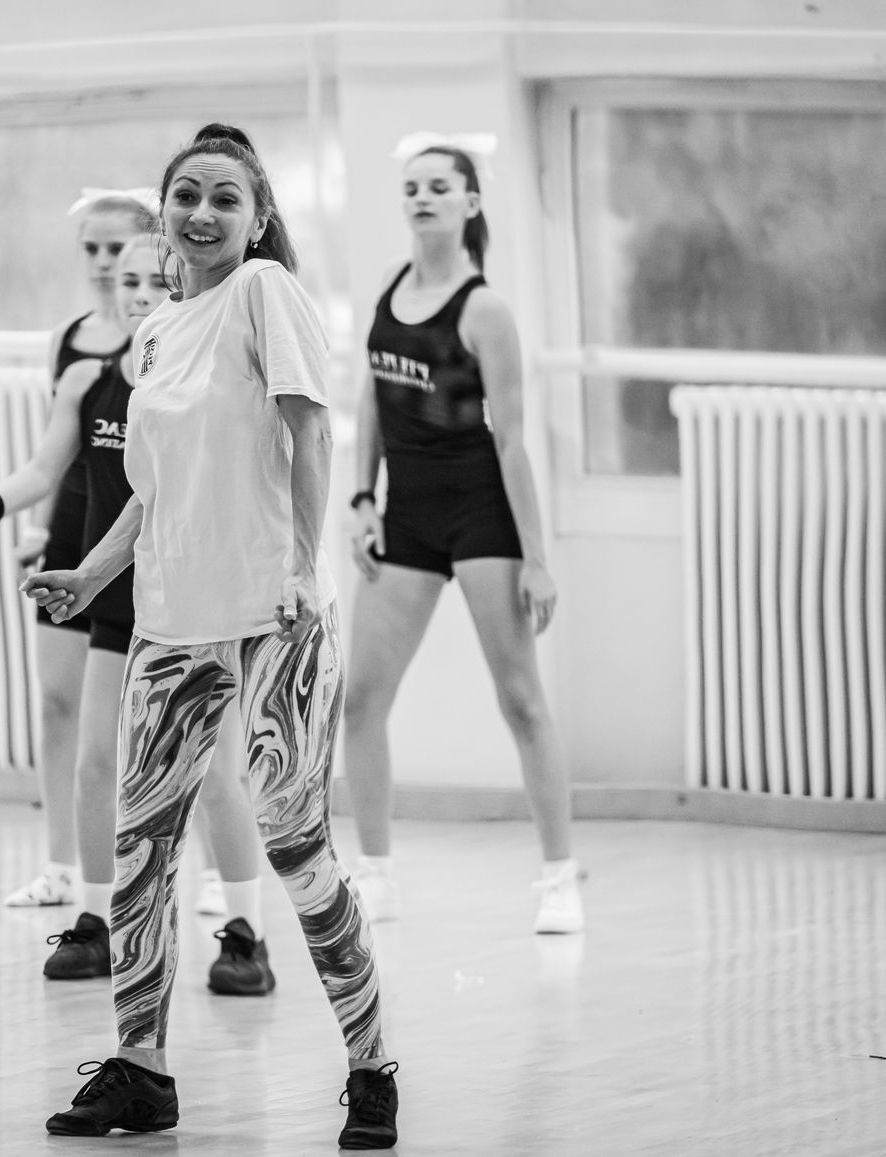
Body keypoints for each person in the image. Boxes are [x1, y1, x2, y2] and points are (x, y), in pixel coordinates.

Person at [25, 124, 399, 1149]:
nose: (201, 212)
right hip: (171, 619)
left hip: (274, 612)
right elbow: (154, 491)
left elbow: (311, 429)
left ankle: (370, 1066)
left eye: (225, 198)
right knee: (141, 848)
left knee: (296, 842)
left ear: (258, 217)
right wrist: (90, 574)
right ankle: (141, 1069)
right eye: (185, 194)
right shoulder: (155, 332)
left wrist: (301, 566)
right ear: (165, 210)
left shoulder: (264, 293)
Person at [0, 235, 278, 995]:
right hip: (117, 596)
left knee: (214, 771)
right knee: (96, 759)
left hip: (199, 595)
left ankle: (246, 935)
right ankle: (96, 921)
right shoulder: (92, 381)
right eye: (127, 281)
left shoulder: (205, 372)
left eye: (157, 280)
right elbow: (55, 469)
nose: (141, 294)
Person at [343, 140, 581, 934]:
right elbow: (372, 401)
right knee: (360, 700)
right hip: (405, 514)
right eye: (412, 187)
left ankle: (559, 877)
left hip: (480, 512)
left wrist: (536, 560)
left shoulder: (485, 311)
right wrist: (361, 497)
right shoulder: (388, 287)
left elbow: (512, 442)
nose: (422, 198)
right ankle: (376, 874)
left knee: (520, 698)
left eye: (439, 187)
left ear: (470, 203)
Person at [3, 190, 157, 910]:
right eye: (91, 249)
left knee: (159, 718)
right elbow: (58, 455)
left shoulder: (169, 343)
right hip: (73, 526)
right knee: (59, 701)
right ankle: (63, 865)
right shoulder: (70, 345)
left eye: (115, 248)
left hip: (135, 532)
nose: (101, 262)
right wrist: (35, 527)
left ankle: (208, 874)